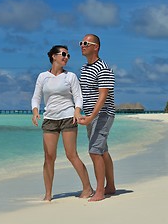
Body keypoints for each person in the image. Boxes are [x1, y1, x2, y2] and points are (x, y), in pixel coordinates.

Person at [31, 45, 92, 201]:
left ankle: (87, 188)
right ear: (53, 56)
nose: (66, 57)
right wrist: (35, 111)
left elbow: (78, 97)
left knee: (71, 154)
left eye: (68, 55)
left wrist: (77, 111)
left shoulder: (70, 76)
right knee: (49, 157)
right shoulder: (43, 76)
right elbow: (36, 97)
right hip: (50, 119)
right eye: (63, 54)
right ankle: (48, 194)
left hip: (68, 117)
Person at [78, 34, 116, 201]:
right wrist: (78, 112)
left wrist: (91, 117)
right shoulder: (84, 69)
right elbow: (82, 94)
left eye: (86, 43)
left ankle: (100, 191)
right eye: (81, 43)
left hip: (102, 115)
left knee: (94, 152)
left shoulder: (103, 68)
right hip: (89, 115)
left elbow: (103, 97)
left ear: (96, 47)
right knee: (102, 151)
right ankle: (111, 186)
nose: (82, 45)